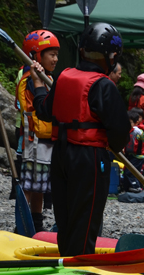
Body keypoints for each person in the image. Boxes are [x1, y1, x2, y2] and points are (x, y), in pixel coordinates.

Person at [32, 22, 131, 256]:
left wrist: (38, 86)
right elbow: (120, 134)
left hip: (61, 157)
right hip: (89, 159)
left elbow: (44, 111)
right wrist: (113, 145)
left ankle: (67, 260)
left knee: (65, 219)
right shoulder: (104, 86)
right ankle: (80, 269)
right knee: (85, 222)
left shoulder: (65, 77)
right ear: (110, 57)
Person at [17, 30, 59, 232]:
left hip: (45, 140)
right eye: (51, 54)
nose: (55, 59)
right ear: (36, 56)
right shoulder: (32, 79)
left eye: (56, 54)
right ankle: (23, 225)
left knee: (39, 187)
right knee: (29, 186)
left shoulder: (44, 78)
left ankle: (36, 224)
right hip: (34, 141)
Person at [122, 108, 144, 192]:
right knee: (126, 171)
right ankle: (127, 187)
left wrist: (142, 135)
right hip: (129, 155)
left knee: (130, 172)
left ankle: (136, 187)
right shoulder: (126, 130)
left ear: (136, 123)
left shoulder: (138, 131)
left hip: (138, 156)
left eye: (130, 123)